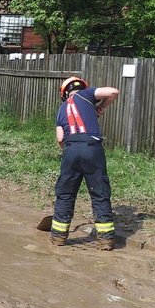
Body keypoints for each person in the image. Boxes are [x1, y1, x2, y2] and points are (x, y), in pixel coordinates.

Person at [50, 77, 120, 250]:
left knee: (65, 193)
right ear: (81, 88)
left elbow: (60, 139)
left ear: (65, 93)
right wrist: (101, 106)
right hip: (92, 149)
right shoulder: (86, 95)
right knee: (99, 193)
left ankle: (58, 237)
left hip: (70, 149)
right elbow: (113, 92)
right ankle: (105, 240)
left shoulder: (61, 109)